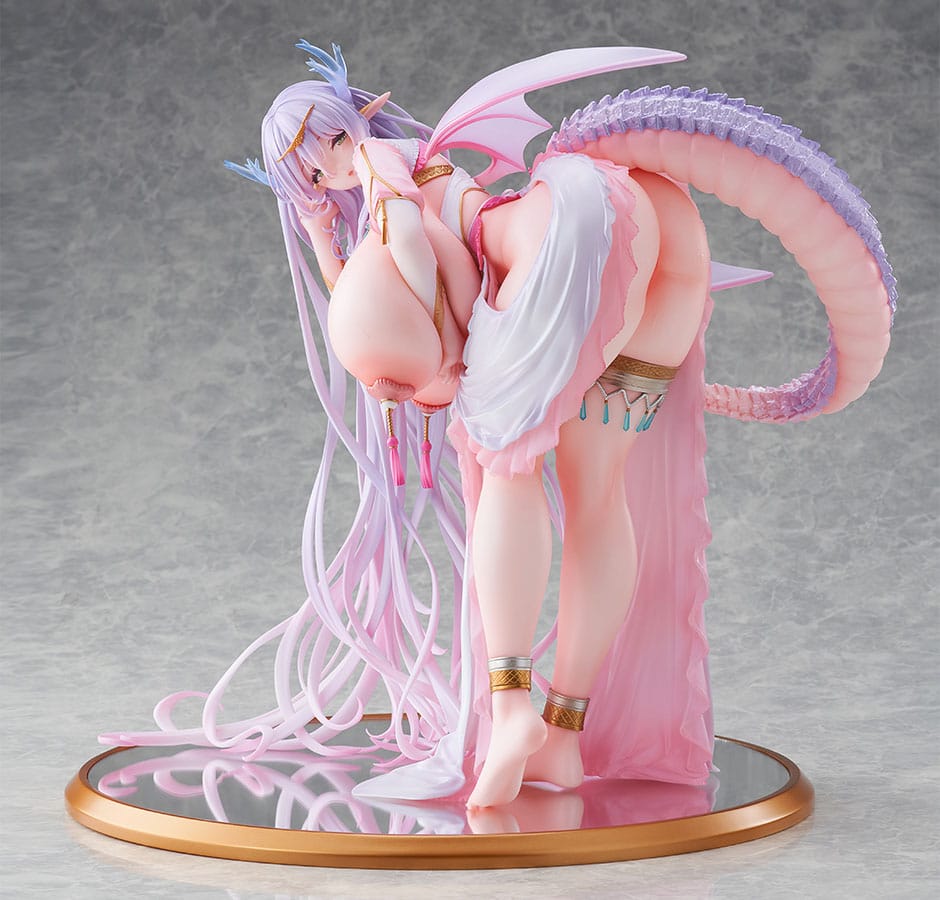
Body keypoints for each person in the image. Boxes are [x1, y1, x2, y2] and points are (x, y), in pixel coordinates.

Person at [102, 43, 894, 810]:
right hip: (655, 235)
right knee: (597, 491)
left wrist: (458, 342)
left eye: (332, 142)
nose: (332, 167)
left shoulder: (380, 162)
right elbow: (372, 273)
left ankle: (513, 708)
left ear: (358, 118)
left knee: (501, 458)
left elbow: (422, 250)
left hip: (564, 241)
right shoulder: (394, 169)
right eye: (310, 171)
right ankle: (564, 733)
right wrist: (319, 230)